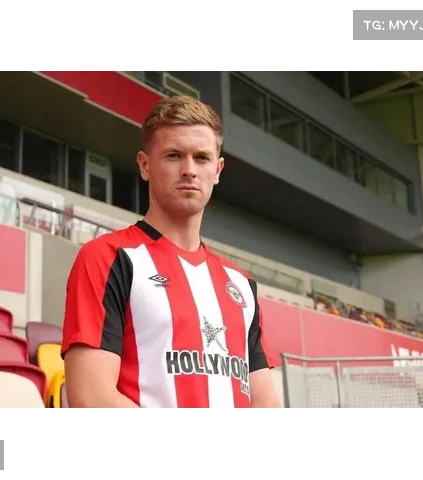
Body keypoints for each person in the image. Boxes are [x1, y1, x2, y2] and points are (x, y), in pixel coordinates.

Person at [61, 95, 280, 408]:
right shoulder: (107, 258)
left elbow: (265, 404)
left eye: (201, 158)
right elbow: (91, 398)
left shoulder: (241, 284)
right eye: (174, 155)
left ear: (218, 170)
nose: (189, 170)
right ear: (145, 165)